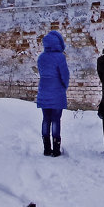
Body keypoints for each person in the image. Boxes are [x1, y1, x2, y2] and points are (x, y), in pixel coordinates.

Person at [35, 29, 69, 157]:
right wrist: (64, 87)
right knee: (56, 120)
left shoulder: (41, 57)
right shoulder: (60, 57)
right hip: (57, 92)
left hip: (43, 91)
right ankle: (56, 149)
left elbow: (41, 73)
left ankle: (46, 148)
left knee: (46, 120)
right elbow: (64, 75)